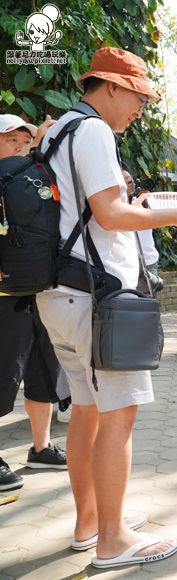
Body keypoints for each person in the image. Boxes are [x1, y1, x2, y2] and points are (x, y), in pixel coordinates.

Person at [36, 47, 177, 568]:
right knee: (119, 414)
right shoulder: (93, 133)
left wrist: (147, 209)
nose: (141, 108)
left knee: (88, 411)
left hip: (59, 295)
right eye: (137, 96)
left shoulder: (57, 129)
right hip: (95, 298)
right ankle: (112, 540)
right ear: (110, 86)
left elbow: (90, 213)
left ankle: (90, 522)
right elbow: (109, 215)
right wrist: (175, 219)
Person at [0, 114, 68, 491]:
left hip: (39, 289)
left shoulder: (34, 179)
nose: (20, 148)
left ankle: (41, 448)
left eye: (25, 141)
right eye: (12, 141)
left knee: (44, 369)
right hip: (5, 295)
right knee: (2, 371)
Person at [122, 169, 160, 276]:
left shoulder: (142, 201)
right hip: (126, 263)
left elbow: (158, 219)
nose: (129, 185)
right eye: (125, 182)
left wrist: (148, 201)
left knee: (149, 292)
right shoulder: (116, 203)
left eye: (130, 181)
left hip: (149, 260)